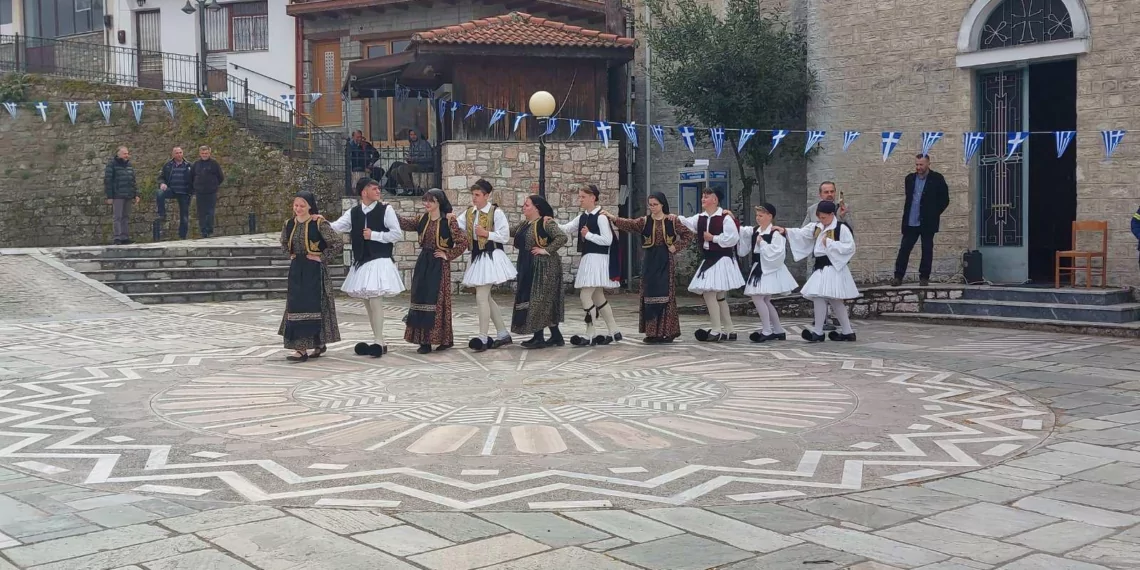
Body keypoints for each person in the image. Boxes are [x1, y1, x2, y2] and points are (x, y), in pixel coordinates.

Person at [320, 177, 405, 357]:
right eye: (374, 188)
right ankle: (379, 340)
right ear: (364, 192)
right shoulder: (354, 212)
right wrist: (320, 223)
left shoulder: (386, 210)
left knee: (375, 300)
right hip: (362, 261)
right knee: (368, 303)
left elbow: (396, 234)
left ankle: (379, 340)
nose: (378, 191)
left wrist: (374, 235)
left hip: (379, 260)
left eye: (378, 188)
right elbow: (336, 227)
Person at [605, 192, 692, 344]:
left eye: (655, 204)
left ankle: (667, 331)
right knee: (649, 293)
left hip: (665, 260)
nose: (652, 207)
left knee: (666, 294)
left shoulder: (672, 220)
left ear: (662, 204)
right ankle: (652, 332)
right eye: (650, 205)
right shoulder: (645, 221)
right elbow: (630, 224)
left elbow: (688, 235)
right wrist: (613, 218)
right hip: (650, 260)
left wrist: (676, 247)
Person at [397, 189, 468, 354]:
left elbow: (463, 242)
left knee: (437, 300)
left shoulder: (449, 221)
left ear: (439, 202)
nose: (426, 203)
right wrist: (389, 212)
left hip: (439, 264)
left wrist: (447, 255)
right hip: (424, 262)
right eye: (425, 200)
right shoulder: (423, 218)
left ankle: (443, 339)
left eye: (431, 200)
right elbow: (406, 224)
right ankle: (424, 341)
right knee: (420, 296)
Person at [777, 200, 858, 342]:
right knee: (821, 296)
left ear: (832, 214)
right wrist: (785, 231)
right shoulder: (817, 227)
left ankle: (837, 331)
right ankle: (830, 331)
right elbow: (801, 234)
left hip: (833, 266)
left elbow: (850, 247)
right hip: (820, 267)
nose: (822, 220)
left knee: (833, 299)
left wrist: (831, 244)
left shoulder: (841, 228)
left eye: (824, 217)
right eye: (820, 217)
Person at [450, 180, 517, 351]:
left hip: (491, 256)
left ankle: (483, 336)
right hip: (477, 257)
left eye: (477, 195)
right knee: (486, 298)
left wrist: (486, 233)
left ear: (487, 196)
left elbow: (504, 236)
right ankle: (502, 333)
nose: (474, 198)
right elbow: (457, 225)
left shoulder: (496, 212)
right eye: (473, 195)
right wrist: (449, 219)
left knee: (481, 297)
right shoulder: (469, 212)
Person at [674, 188, 744, 342]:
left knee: (709, 293)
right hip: (709, 259)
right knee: (719, 296)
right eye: (703, 196)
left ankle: (716, 330)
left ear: (715, 200)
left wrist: (714, 238)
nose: (703, 199)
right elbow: (685, 222)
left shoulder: (725, 218)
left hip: (721, 259)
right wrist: (672, 217)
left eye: (707, 197)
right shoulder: (700, 218)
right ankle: (730, 330)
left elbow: (733, 238)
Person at [278, 191, 342, 362]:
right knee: (296, 307)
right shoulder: (289, 224)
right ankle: (300, 349)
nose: (298, 208)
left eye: (302, 205)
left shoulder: (319, 223)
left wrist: (322, 257)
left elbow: (337, 243)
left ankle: (317, 343)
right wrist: (290, 254)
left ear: (309, 206)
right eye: (296, 205)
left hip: (315, 271)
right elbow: (283, 242)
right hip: (297, 270)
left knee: (315, 306)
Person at [560, 185, 623, 347]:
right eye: (579, 196)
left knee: (585, 295)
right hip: (589, 259)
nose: (580, 199)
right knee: (598, 297)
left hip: (598, 260)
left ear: (593, 198)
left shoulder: (601, 217)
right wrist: (550, 223)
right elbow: (567, 228)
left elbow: (607, 240)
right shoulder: (583, 217)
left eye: (583, 197)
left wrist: (588, 235)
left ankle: (590, 333)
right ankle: (614, 331)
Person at [512, 195, 569, 348]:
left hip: (545, 267)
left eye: (527, 205)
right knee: (538, 299)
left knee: (539, 299)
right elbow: (508, 231)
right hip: (528, 264)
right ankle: (556, 336)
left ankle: (539, 337)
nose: (524, 207)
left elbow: (562, 237)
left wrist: (546, 250)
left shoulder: (546, 222)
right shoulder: (524, 224)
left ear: (537, 208)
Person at [738, 203, 797, 343]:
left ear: (770, 216)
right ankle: (778, 330)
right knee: (764, 300)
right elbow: (740, 230)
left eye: (761, 215)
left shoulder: (775, 233)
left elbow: (778, 253)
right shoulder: (755, 231)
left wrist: (762, 244)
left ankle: (767, 330)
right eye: (757, 215)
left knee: (758, 298)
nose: (758, 218)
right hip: (758, 267)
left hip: (768, 269)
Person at [891, 154, 949, 287]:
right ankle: (898, 276)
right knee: (904, 249)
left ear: (928, 164)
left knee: (927, 249)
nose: (918, 167)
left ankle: (924, 277)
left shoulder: (937, 178)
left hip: (928, 222)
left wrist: (934, 213)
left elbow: (945, 199)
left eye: (921, 164)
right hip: (911, 221)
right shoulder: (910, 179)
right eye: (917, 164)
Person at [803, 181, 848, 331]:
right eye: (826, 192)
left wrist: (842, 217)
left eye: (832, 191)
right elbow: (804, 230)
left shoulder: (842, 208)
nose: (829, 194)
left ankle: (839, 321)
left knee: (835, 292)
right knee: (818, 291)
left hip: (836, 258)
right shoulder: (812, 210)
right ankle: (821, 321)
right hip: (819, 258)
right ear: (820, 194)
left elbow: (849, 231)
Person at [104, 146, 140, 245]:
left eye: (127, 153)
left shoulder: (129, 165)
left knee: (126, 217)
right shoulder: (112, 164)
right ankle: (117, 237)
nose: (127, 155)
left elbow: (133, 180)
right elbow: (108, 181)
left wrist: (136, 194)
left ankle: (124, 237)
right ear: (118, 154)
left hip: (128, 194)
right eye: (124, 153)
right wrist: (110, 196)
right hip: (118, 195)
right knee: (117, 217)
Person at [157, 146, 194, 240]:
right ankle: (162, 214)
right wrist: (162, 183)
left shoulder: (189, 165)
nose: (179, 155)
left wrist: (192, 190)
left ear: (183, 153)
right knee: (159, 193)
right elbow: (161, 177)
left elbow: (195, 178)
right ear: (173, 154)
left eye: (180, 152)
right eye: (177, 153)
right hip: (172, 190)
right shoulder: (168, 165)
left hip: (184, 192)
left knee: (184, 216)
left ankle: (182, 236)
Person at [189, 145, 225, 238]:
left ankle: (209, 230)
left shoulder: (214, 164)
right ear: (200, 154)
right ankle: (203, 231)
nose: (204, 155)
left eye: (206, 153)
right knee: (201, 212)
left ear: (209, 153)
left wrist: (214, 185)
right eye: (203, 153)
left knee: (210, 211)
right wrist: (195, 188)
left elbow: (221, 177)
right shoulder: (196, 164)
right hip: (200, 192)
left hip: (211, 192)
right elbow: (191, 177)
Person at [390, 129, 434, 194]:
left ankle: (410, 189)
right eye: (411, 135)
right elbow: (411, 157)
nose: (413, 136)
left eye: (414, 134)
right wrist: (408, 159)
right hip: (414, 164)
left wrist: (414, 159)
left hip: (424, 166)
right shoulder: (412, 144)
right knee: (394, 171)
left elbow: (429, 158)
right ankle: (406, 189)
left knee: (402, 168)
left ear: (418, 135)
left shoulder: (424, 143)